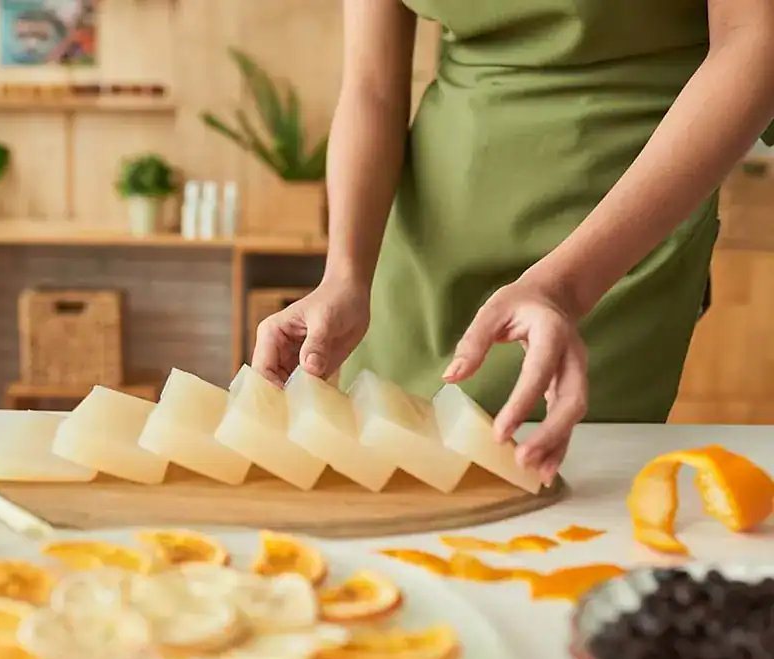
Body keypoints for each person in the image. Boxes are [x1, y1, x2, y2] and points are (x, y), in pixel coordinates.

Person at [252, 1, 774, 486]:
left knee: (563, 494)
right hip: (426, 237)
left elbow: (753, 43)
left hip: (614, 233)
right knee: (391, 478)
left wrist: (564, 289)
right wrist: (345, 275)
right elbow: (371, 86)